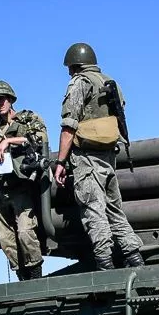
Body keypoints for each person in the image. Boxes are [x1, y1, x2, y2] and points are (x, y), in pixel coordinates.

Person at [52, 42, 144, 270]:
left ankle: (105, 266)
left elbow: (69, 127)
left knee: (94, 210)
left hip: (87, 158)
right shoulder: (110, 82)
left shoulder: (79, 83)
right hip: (109, 157)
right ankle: (134, 258)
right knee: (115, 210)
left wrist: (61, 162)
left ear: (75, 65)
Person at [0, 80, 48, 280]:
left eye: (1, 99)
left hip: (22, 188)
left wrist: (9, 140)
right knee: (6, 241)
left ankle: (35, 279)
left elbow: (40, 141)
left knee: (26, 233)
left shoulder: (28, 120)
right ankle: (22, 279)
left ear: (10, 99)